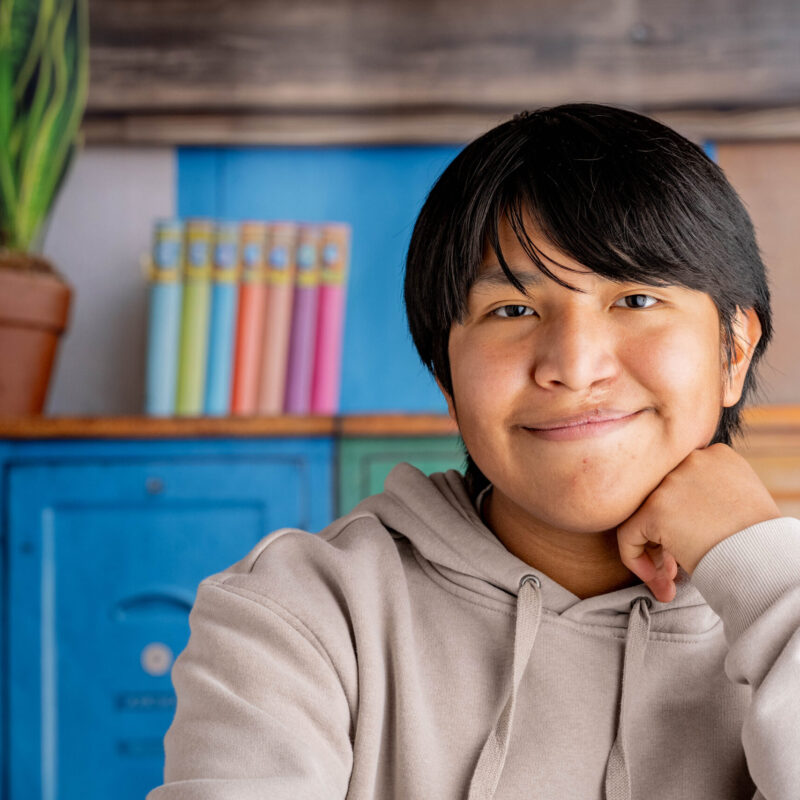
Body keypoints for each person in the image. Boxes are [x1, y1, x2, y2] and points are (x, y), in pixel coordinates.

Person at [147, 104, 800, 800]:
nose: (574, 367)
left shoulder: (784, 615)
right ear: (447, 382)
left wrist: (765, 576)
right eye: (513, 311)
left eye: (636, 298)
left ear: (733, 349)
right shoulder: (298, 615)